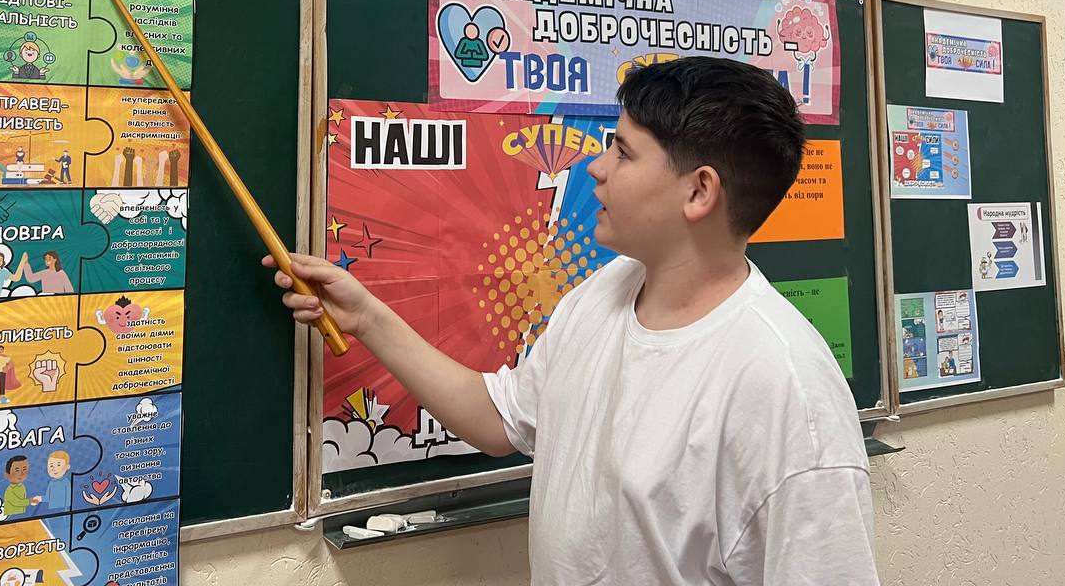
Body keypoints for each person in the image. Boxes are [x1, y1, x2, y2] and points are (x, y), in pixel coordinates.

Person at [267, 58, 878, 586]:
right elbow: (500, 419)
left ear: (699, 193)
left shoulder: (785, 391)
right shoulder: (607, 290)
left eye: (623, 152)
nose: (595, 168)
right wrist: (368, 318)